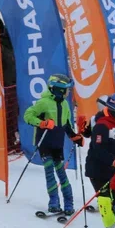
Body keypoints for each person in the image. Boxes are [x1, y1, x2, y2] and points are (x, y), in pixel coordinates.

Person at [22, 74, 83, 215]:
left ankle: (69, 203)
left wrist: (74, 136)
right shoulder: (43, 102)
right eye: (67, 89)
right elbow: (28, 115)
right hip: (44, 142)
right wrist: (42, 123)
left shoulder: (65, 104)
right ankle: (54, 202)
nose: (68, 92)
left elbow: (66, 124)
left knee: (61, 173)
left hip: (57, 143)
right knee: (49, 172)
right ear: (59, 90)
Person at [86, 94, 115, 228]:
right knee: (104, 201)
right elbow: (98, 149)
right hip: (98, 170)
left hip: (114, 171)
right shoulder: (102, 125)